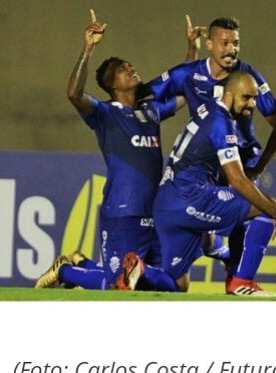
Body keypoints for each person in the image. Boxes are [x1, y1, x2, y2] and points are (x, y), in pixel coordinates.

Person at [136, 16, 276, 296]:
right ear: (209, 44)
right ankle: (238, 276)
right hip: (205, 170)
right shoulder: (192, 77)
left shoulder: (248, 77)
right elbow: (141, 93)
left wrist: (258, 169)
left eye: (236, 43)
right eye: (225, 43)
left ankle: (236, 278)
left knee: (241, 219)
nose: (231, 49)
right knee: (252, 214)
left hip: (232, 164)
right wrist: (113, 114)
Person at [34, 9, 185, 290]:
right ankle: (66, 271)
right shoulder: (104, 114)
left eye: (130, 65)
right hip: (122, 211)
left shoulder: (151, 110)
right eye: (122, 69)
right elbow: (74, 94)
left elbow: (185, 91)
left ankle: (82, 264)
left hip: (156, 211)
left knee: (168, 288)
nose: (131, 68)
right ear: (112, 84)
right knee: (118, 286)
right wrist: (88, 48)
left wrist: (192, 50)